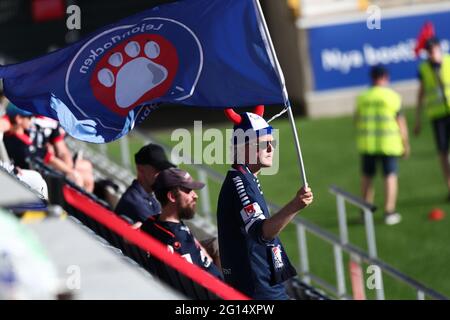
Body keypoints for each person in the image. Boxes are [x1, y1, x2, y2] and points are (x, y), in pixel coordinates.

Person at [217, 110, 313, 300]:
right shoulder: (240, 183)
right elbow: (262, 232)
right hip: (258, 292)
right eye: (264, 143)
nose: (271, 148)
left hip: (265, 287)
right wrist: (295, 205)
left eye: (272, 143)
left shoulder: (247, 179)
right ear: (244, 147)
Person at [140, 167, 223, 279]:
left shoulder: (152, 223)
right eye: (189, 191)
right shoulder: (178, 241)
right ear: (172, 196)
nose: (195, 195)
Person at [355, 66, 410, 225]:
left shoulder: (363, 97)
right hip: (389, 144)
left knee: (367, 177)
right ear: (386, 77)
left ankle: (365, 212)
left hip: (368, 144)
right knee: (390, 176)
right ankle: (389, 211)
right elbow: (401, 122)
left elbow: (357, 119)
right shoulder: (393, 96)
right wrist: (405, 143)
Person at [414, 37, 450, 198]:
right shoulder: (424, 69)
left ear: (439, 48)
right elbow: (421, 93)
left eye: (433, 50)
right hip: (438, 116)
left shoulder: (448, 61)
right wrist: (417, 118)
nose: (431, 54)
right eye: (428, 51)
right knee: (443, 153)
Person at [115, 143, 175, 223]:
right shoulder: (135, 201)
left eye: (164, 170)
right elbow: (162, 231)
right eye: (157, 169)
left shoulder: (150, 198)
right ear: (140, 169)